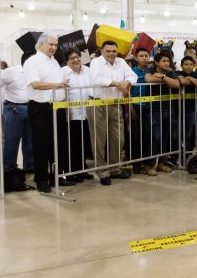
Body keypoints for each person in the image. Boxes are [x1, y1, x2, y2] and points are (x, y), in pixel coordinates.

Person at [24, 33, 74, 192]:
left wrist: (64, 104)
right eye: (50, 44)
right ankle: (41, 180)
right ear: (41, 45)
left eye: (55, 45)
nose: (54, 47)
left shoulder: (54, 62)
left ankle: (57, 177)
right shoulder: (32, 62)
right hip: (40, 107)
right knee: (41, 145)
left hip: (57, 107)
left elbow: (60, 85)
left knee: (57, 144)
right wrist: (58, 85)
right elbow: (35, 84)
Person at [88, 40, 137, 186]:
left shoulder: (121, 62)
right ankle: (102, 172)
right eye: (108, 51)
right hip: (98, 104)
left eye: (114, 51)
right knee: (99, 140)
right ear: (102, 51)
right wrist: (117, 83)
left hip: (115, 105)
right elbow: (95, 79)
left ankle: (115, 169)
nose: (111, 54)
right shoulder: (95, 63)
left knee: (118, 138)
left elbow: (133, 76)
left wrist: (127, 82)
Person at [62, 48, 94, 182]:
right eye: (72, 58)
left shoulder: (88, 70)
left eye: (77, 57)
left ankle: (82, 169)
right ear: (67, 61)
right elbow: (62, 93)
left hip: (88, 112)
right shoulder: (63, 72)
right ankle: (71, 172)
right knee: (72, 143)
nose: (75, 60)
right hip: (72, 113)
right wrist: (65, 111)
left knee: (84, 143)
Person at [145, 52, 181, 173]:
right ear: (156, 62)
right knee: (155, 137)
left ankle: (161, 163)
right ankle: (150, 165)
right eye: (164, 61)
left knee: (165, 138)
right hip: (153, 109)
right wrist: (166, 80)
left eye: (168, 61)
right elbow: (148, 79)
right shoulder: (150, 69)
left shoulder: (169, 72)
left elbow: (176, 84)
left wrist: (162, 77)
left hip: (168, 109)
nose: (166, 63)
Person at [1, 52, 35, 173]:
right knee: (12, 140)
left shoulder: (34, 73)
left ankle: (30, 167)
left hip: (31, 108)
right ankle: (8, 168)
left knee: (30, 139)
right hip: (14, 109)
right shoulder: (11, 72)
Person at [130, 48, 156, 175]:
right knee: (136, 137)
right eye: (141, 56)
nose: (144, 58)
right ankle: (136, 164)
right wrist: (129, 107)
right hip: (135, 107)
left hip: (149, 107)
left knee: (149, 136)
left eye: (146, 56)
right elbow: (128, 91)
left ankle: (149, 164)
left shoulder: (151, 71)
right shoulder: (132, 72)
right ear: (136, 58)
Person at [177, 55, 197, 152]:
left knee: (189, 134)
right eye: (186, 64)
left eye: (190, 64)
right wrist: (192, 80)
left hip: (191, 109)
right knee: (177, 134)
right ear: (182, 65)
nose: (188, 66)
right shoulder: (177, 72)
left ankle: (187, 154)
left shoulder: (195, 74)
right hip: (177, 109)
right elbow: (183, 82)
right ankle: (176, 155)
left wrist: (190, 77)